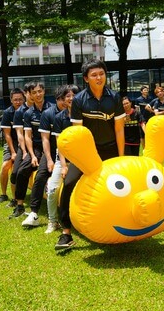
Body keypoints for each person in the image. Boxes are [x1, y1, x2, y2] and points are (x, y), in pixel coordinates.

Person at [56, 59, 125, 250]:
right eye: (93, 75)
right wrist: (78, 158)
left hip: (110, 148)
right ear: (86, 78)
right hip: (87, 152)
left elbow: (119, 129)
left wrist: (121, 157)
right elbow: (77, 132)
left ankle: (121, 225)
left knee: (118, 186)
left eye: (101, 74)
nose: (98, 77)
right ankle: (66, 233)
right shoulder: (79, 101)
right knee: (69, 183)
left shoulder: (115, 97)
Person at [21, 85, 70, 228]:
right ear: (57, 99)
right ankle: (34, 213)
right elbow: (45, 139)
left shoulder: (76, 113)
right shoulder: (49, 114)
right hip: (53, 152)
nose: (66, 101)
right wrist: (48, 159)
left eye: (69, 97)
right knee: (41, 175)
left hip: (73, 153)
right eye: (63, 99)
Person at [10, 82, 51, 218]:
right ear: (30, 95)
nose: (37, 94)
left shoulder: (52, 109)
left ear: (44, 91)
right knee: (21, 171)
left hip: (52, 147)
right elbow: (27, 137)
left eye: (40, 91)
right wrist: (32, 155)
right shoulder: (28, 113)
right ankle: (20, 205)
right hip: (36, 147)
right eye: (34, 92)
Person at [45, 85, 78, 234]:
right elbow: (60, 144)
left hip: (82, 159)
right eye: (68, 96)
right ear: (63, 100)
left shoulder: (84, 115)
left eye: (74, 95)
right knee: (52, 190)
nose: (71, 98)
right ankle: (53, 221)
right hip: (63, 159)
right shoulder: (59, 118)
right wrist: (64, 166)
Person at [7, 82, 35, 208]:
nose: (35, 95)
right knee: (15, 174)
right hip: (24, 147)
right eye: (31, 93)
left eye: (37, 92)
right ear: (26, 94)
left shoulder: (45, 108)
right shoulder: (19, 112)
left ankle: (20, 203)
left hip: (39, 147)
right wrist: (23, 152)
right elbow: (20, 135)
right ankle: (17, 200)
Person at [0, 88, 25, 203]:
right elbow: (7, 135)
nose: (18, 102)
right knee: (5, 166)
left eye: (20, 99)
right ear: (11, 100)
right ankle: (3, 194)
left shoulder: (28, 111)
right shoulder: (8, 113)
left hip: (26, 144)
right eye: (15, 100)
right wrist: (13, 152)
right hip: (11, 143)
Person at [133, 85, 153, 150]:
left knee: (149, 133)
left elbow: (152, 107)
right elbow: (136, 109)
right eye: (144, 90)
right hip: (142, 118)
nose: (146, 91)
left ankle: (149, 148)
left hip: (149, 117)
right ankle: (144, 149)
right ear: (141, 91)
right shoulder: (138, 100)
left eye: (147, 90)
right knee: (142, 135)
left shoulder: (150, 99)